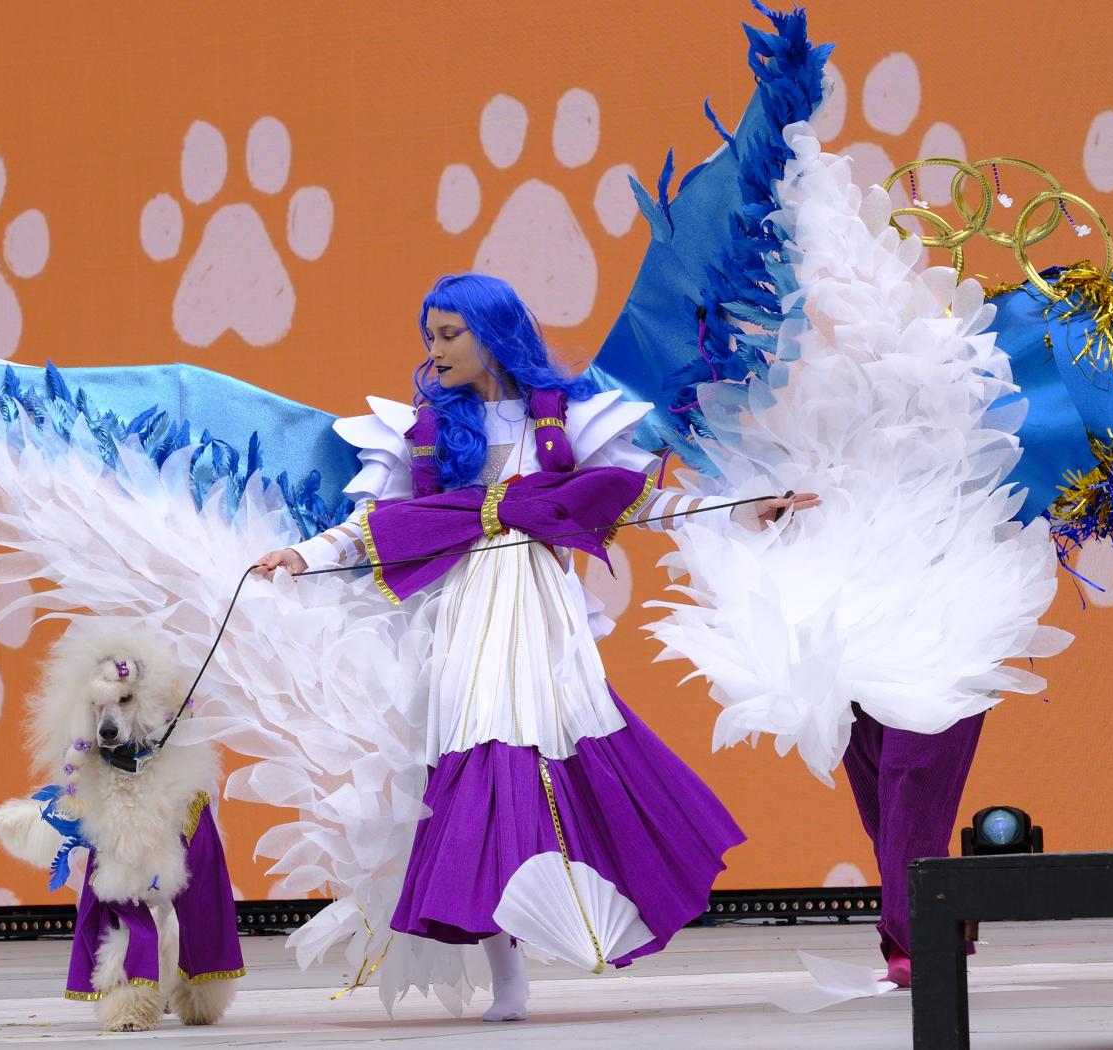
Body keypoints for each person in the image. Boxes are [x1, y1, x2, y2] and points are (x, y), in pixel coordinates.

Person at [257, 272, 816, 1021]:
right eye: (430, 335)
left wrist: (744, 510)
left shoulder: (568, 420)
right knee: (477, 764)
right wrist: (299, 555)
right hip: (459, 620)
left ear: (493, 332)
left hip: (544, 620)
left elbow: (637, 503)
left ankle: (607, 904)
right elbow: (375, 527)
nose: (435, 349)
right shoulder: (421, 432)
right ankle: (507, 973)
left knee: (559, 757)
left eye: (449, 333)